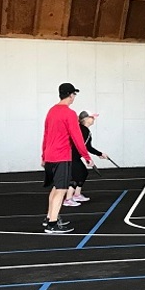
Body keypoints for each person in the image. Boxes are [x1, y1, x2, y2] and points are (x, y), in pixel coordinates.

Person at [41, 83, 92, 233]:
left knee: (56, 188)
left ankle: (49, 217)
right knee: (62, 190)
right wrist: (86, 156)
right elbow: (77, 137)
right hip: (61, 156)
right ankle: (52, 224)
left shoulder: (51, 111)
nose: (74, 97)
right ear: (71, 95)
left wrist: (43, 155)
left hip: (50, 156)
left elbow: (46, 135)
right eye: (74, 94)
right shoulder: (69, 114)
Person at [64, 111, 109, 206]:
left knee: (84, 172)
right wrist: (89, 158)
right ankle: (68, 199)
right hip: (70, 156)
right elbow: (84, 147)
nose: (93, 119)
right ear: (85, 119)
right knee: (77, 175)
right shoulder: (82, 130)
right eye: (91, 117)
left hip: (74, 156)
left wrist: (99, 154)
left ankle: (77, 195)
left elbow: (87, 146)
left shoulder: (84, 130)